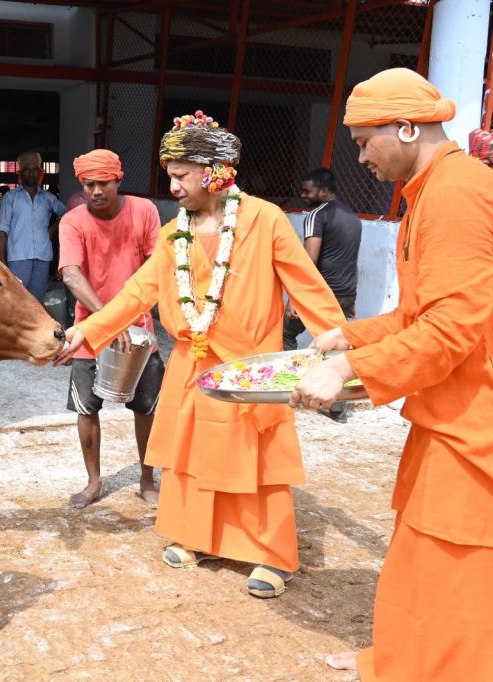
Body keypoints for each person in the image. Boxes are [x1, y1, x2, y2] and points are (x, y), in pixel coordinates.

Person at [55, 110, 346, 598]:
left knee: (259, 462)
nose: (173, 186)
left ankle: (273, 554)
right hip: (193, 364)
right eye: (170, 175)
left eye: (181, 175)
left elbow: (308, 286)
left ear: (216, 171)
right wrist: (84, 334)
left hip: (250, 367)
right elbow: (135, 294)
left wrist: (337, 349)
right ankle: (199, 536)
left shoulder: (263, 219)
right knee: (192, 456)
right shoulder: (176, 233)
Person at [290, 68, 493, 680]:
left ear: (407, 128)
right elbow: (414, 315)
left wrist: (349, 367)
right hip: (449, 412)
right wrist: (346, 334)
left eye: (362, 141)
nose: (360, 158)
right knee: (419, 548)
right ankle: (405, 660)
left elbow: (453, 328)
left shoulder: (457, 192)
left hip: (474, 413)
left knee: (452, 559)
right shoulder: (429, 189)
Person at [58, 149, 165, 509]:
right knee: (86, 410)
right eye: (89, 184)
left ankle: (147, 479)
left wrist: (128, 316)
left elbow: (157, 267)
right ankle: (93, 481)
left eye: (104, 182)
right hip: (89, 332)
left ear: (118, 180)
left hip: (139, 332)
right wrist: (108, 319)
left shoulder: (145, 211)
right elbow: (71, 273)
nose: (96, 190)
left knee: (146, 408)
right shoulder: (72, 222)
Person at [283, 167, 362, 423]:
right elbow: (351, 259)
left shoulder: (316, 215)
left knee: (285, 333)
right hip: (345, 293)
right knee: (336, 346)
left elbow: (308, 261)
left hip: (322, 293)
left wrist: (294, 298)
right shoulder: (353, 217)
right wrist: (352, 299)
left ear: (324, 190)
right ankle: (337, 404)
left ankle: (289, 388)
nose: (303, 196)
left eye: (308, 190)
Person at [0, 151, 66, 300]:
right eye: (27, 170)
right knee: (16, 300)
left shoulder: (48, 198)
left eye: (35, 170)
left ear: (40, 173)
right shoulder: (11, 198)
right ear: (20, 173)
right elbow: (3, 228)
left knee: (36, 301)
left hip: (42, 256)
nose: (31, 173)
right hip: (18, 258)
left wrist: (52, 230)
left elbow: (67, 214)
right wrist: (1, 258)